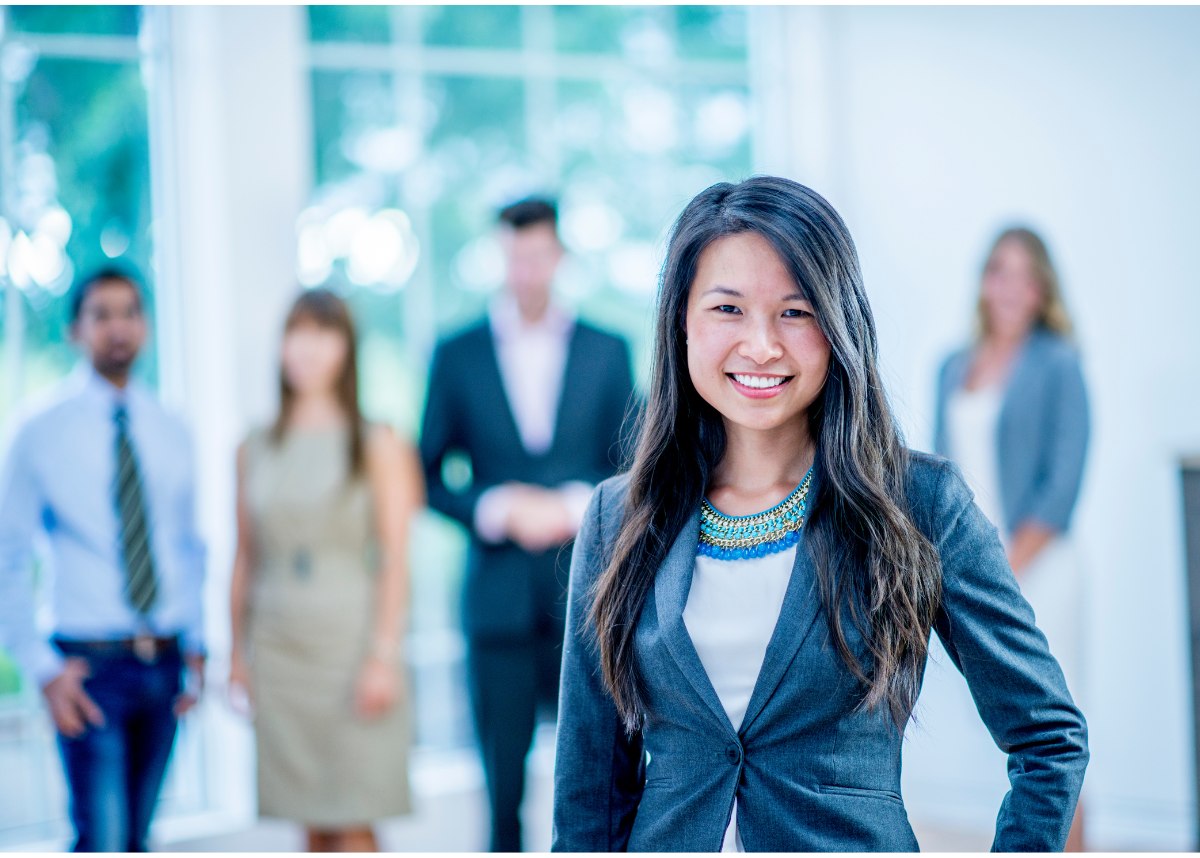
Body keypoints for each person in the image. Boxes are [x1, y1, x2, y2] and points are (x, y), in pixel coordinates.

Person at [551, 177, 1088, 852]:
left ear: (839, 326)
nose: (762, 346)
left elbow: (1048, 739)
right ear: (681, 320)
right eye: (727, 309)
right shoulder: (616, 517)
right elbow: (589, 790)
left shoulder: (920, 503)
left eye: (795, 312)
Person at [420, 196, 637, 851]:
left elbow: (636, 461)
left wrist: (575, 506)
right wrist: (497, 508)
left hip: (593, 593)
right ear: (500, 257)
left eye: (538, 255)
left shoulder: (608, 349)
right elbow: (427, 472)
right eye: (515, 256)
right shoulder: (456, 353)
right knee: (502, 792)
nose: (526, 269)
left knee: (608, 778)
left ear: (559, 257)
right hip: (498, 603)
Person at [0, 266, 207, 852]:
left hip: (165, 664)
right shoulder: (38, 431)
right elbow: (6, 556)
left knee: (137, 839)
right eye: (102, 315)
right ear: (75, 330)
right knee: (104, 840)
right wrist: (40, 666)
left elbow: (189, 547)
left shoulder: (172, 428)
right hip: (89, 671)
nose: (118, 328)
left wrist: (196, 644)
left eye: (129, 313)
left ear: (144, 325)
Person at [227, 288, 422, 852]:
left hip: (351, 646)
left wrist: (382, 656)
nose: (308, 349)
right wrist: (237, 655)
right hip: (280, 647)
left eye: (323, 333)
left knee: (355, 813)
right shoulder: (253, 447)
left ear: (346, 349)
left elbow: (393, 558)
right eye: (297, 332)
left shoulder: (377, 442)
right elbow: (245, 555)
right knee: (308, 818)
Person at [925, 226, 1090, 850]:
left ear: (1042, 286)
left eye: (1025, 275)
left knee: (1057, 731)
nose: (1010, 287)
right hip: (975, 565)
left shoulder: (1059, 363)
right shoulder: (951, 365)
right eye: (999, 271)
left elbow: (1061, 485)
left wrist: (1002, 570)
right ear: (984, 281)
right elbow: (935, 473)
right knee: (1002, 725)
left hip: (1042, 565)